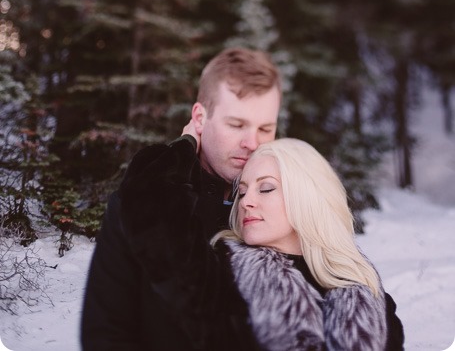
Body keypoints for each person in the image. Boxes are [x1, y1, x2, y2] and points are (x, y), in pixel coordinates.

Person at [80, 47, 282, 350]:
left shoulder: (289, 203)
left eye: (266, 128)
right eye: (236, 125)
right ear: (200, 118)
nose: (252, 143)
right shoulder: (143, 201)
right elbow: (106, 334)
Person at [120, 136, 405, 351]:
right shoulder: (217, 273)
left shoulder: (364, 295)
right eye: (241, 192)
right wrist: (187, 143)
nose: (247, 202)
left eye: (266, 188)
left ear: (308, 196)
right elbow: (147, 205)